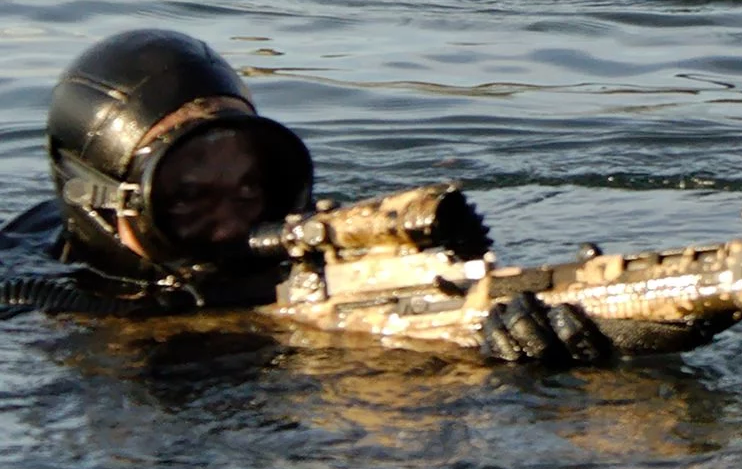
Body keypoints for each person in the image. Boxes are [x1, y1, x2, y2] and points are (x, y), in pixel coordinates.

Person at [2, 30, 610, 364]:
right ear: (105, 205)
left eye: (250, 186)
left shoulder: (320, 252)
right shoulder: (35, 299)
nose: (233, 219)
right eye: (188, 195)